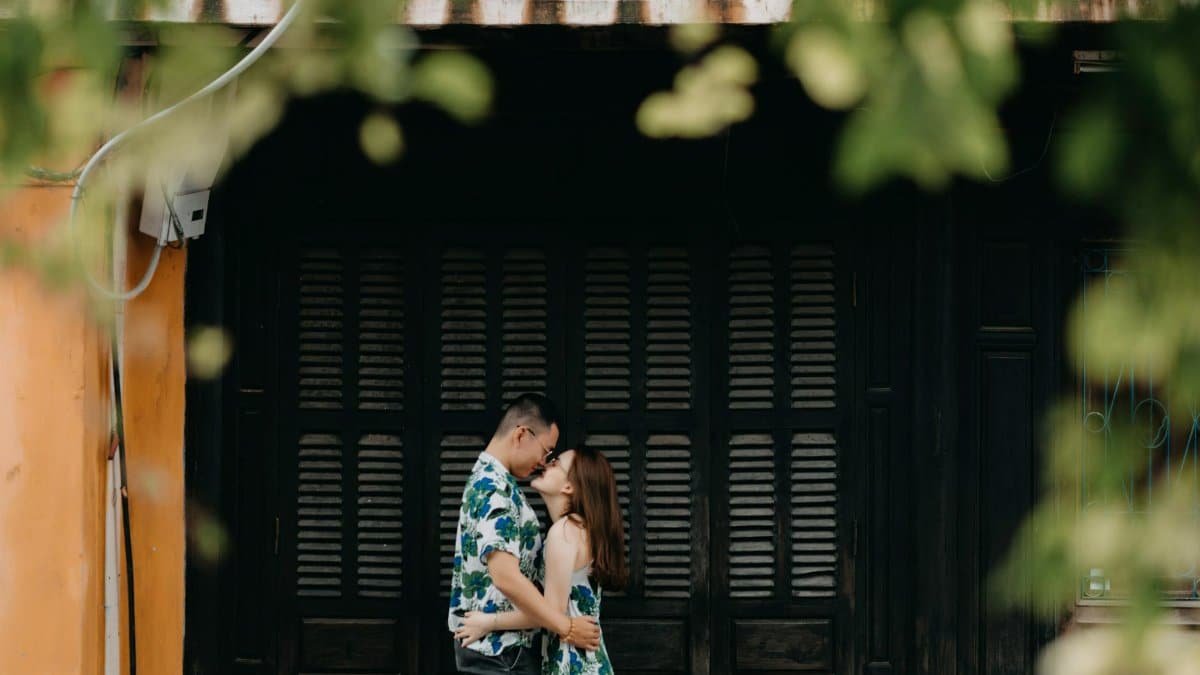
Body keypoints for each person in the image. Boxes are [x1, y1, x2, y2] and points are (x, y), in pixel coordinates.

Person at [448, 393, 602, 674]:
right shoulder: (493, 488)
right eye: (547, 451)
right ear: (521, 435)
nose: (545, 462)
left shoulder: (499, 484)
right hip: (501, 655)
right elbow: (505, 576)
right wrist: (566, 627)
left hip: (503, 653)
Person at [454, 445, 628, 675]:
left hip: (572, 664)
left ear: (569, 486)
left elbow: (549, 612)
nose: (546, 464)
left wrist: (488, 622)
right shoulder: (581, 530)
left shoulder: (564, 532)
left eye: (555, 463)